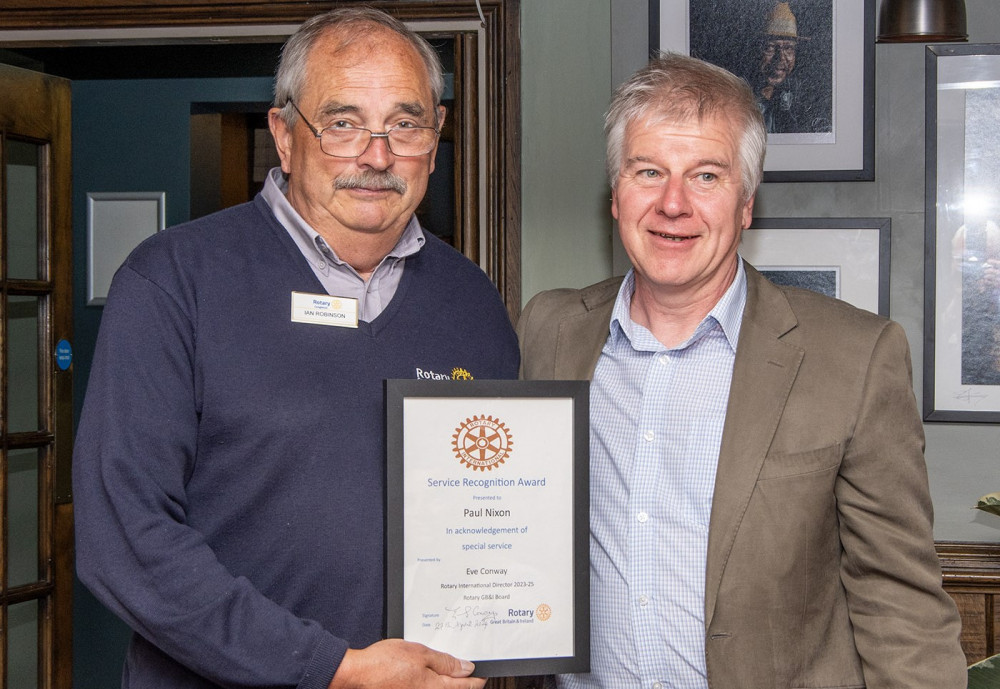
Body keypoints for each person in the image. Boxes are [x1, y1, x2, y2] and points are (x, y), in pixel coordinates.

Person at [73, 7, 518, 689]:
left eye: (405, 124)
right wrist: (333, 668)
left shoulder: (473, 304)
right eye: (343, 123)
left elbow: (495, 514)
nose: (377, 155)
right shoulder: (172, 282)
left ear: (436, 136)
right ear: (284, 135)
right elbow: (124, 538)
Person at [517, 53, 967, 689]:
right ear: (616, 196)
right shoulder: (548, 332)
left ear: (746, 204)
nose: (673, 204)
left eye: (706, 176)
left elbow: (900, 601)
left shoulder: (854, 358)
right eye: (649, 172)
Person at [753, 2, 829, 134]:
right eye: (770, 47)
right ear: (756, 51)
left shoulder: (806, 96)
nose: (780, 59)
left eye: (788, 48)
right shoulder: (738, 95)